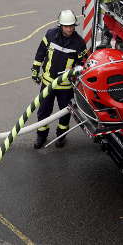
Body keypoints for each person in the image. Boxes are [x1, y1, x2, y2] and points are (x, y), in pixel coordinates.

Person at [31, 10, 88, 149]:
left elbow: (83, 64)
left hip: (65, 86)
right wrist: (35, 70)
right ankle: (41, 136)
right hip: (48, 82)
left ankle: (61, 135)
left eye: (72, 26)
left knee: (65, 112)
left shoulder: (79, 43)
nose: (70, 29)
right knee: (44, 111)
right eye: (67, 26)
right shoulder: (50, 35)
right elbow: (40, 53)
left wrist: (75, 70)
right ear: (60, 25)